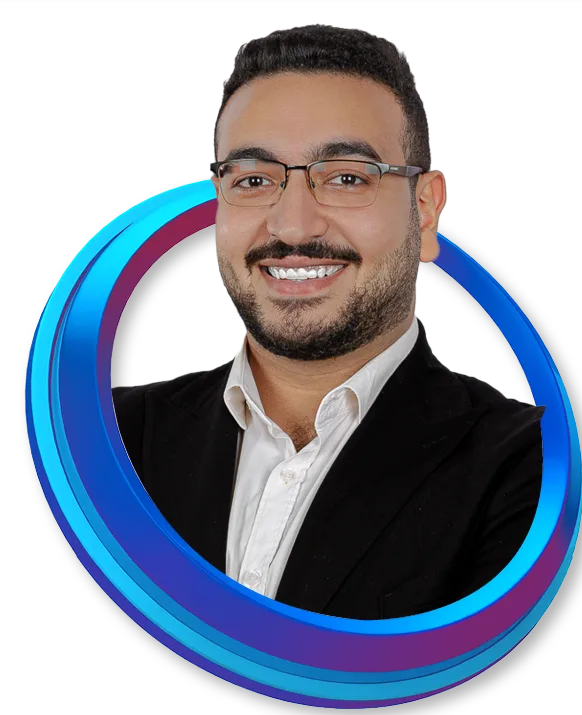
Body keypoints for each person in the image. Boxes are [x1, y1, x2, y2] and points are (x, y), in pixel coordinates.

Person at [113, 23, 544, 620]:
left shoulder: (535, 470)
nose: (292, 225)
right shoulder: (105, 439)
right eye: (254, 179)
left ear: (424, 210)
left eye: (346, 178)